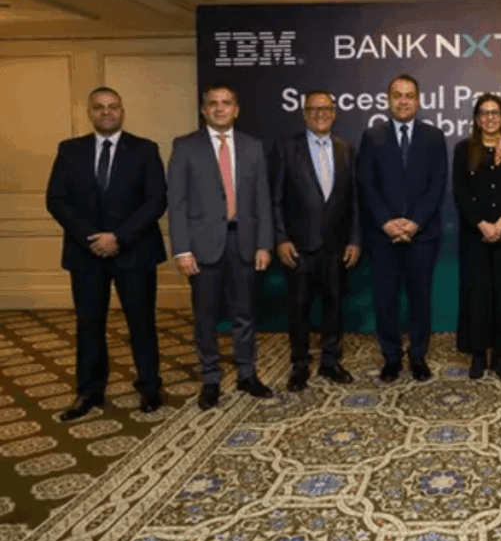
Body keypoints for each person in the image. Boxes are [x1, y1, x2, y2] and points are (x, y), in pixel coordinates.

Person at [45, 87, 166, 420]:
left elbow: (156, 199)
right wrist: (92, 239)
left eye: (113, 107)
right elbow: (56, 199)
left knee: (142, 324)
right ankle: (89, 391)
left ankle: (150, 387)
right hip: (86, 254)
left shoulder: (145, 149)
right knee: (89, 325)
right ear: (90, 112)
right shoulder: (70, 150)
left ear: (122, 111)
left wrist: (119, 237)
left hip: (135, 252)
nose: (106, 112)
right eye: (99, 107)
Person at [167, 85, 274, 410]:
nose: (219, 108)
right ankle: (210, 378)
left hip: (244, 241)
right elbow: (176, 202)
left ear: (236, 109)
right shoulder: (186, 146)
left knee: (244, 314)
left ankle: (247, 374)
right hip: (202, 247)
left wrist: (264, 244)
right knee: (205, 317)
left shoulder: (253, 146)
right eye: (212, 103)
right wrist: (182, 249)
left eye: (226, 103)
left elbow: (263, 200)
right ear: (204, 110)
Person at [357, 74, 448, 382]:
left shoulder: (434, 137)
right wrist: (387, 222)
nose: (403, 101)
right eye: (397, 95)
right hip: (383, 237)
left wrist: (414, 223)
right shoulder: (372, 136)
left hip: (422, 236)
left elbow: (437, 185)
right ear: (388, 100)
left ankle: (418, 356)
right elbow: (366, 184)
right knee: (386, 300)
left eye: (409, 95)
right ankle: (392, 358)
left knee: (420, 299)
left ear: (418, 101)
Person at [273, 90, 361, 392]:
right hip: (298, 247)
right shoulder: (286, 148)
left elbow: (354, 201)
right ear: (304, 113)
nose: (320, 114)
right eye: (313, 109)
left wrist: (354, 240)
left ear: (334, 113)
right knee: (299, 307)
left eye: (325, 109)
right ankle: (299, 365)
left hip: (336, 246)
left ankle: (330, 362)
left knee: (334, 306)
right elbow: (275, 199)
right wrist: (281, 238)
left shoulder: (346, 149)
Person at [453, 94, 501, 379]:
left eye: (495, 112)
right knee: (477, 295)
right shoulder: (464, 149)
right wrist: (481, 224)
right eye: (484, 113)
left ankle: (499, 354)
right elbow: (460, 192)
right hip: (474, 235)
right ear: (476, 119)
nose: (490, 118)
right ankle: (477, 353)